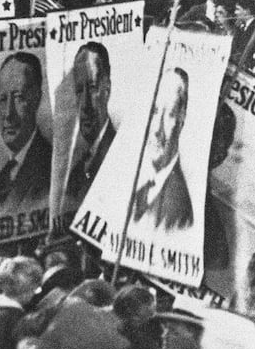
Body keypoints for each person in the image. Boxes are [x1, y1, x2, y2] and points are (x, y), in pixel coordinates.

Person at [129, 67, 193, 231]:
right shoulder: (128, 175)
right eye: (155, 111)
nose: (157, 129)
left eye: (170, 114)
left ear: (181, 119)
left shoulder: (180, 215)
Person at [0, 52, 51, 205]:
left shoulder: (48, 167)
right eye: (3, 99)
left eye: (18, 97)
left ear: (37, 99)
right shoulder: (2, 177)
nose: (8, 113)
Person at [62, 42, 115, 209]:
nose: (84, 104)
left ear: (107, 88)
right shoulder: (77, 171)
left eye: (92, 88)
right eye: (79, 90)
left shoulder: (116, 156)